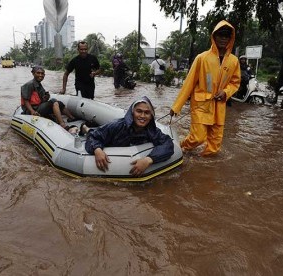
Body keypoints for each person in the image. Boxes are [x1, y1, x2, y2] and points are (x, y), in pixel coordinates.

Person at [169, 20, 241, 157]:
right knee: (198, 138)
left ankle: (202, 166)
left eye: (226, 36)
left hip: (219, 106)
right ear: (214, 36)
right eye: (220, 35)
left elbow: (235, 83)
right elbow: (189, 83)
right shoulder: (202, 58)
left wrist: (226, 92)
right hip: (201, 105)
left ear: (230, 38)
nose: (223, 38)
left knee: (215, 145)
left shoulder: (233, 61)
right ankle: (179, 147)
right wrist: (176, 107)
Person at [82, 96, 174, 177]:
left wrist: (149, 159)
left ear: (151, 116)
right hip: (108, 141)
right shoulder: (117, 126)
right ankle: (83, 127)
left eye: (147, 113)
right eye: (139, 111)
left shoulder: (152, 131)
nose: (142, 116)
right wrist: (97, 149)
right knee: (90, 131)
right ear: (132, 113)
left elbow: (168, 144)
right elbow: (92, 136)